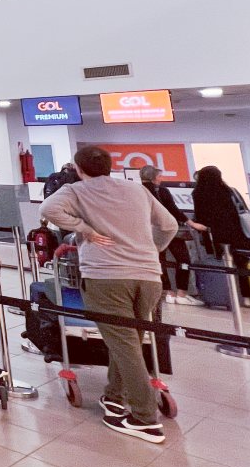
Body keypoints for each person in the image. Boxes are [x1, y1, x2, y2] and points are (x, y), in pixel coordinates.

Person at [39, 145, 179, 443]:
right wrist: (152, 249)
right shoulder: (136, 190)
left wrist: (84, 229)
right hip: (148, 277)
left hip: (107, 277)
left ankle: (144, 418)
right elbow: (169, 225)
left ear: (78, 169)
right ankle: (114, 396)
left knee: (125, 343)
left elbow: (47, 210)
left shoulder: (78, 191)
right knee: (128, 339)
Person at [189, 165, 250, 302]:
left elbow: (200, 217)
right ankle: (247, 297)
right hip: (238, 233)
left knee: (219, 264)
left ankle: (222, 295)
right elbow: (242, 210)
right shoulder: (229, 191)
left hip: (215, 236)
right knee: (242, 264)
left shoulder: (198, 193)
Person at [140, 166, 199, 305]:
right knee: (183, 260)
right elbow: (173, 210)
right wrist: (191, 223)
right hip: (169, 230)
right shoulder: (162, 191)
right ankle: (181, 293)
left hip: (148, 231)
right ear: (154, 178)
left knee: (159, 262)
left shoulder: (137, 191)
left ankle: (167, 292)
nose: (161, 179)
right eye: (159, 176)